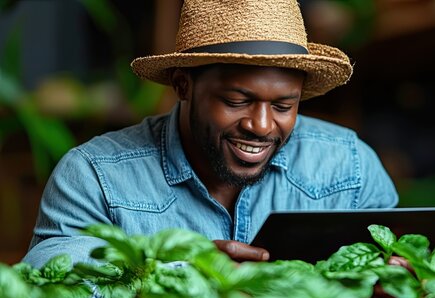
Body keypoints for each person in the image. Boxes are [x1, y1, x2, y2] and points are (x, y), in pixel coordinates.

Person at [23, 0, 398, 268]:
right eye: (237, 101)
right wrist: (180, 273)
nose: (262, 125)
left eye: (284, 106)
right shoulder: (96, 175)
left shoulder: (348, 164)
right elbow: (48, 276)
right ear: (183, 85)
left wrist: (396, 284)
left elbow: (399, 258)